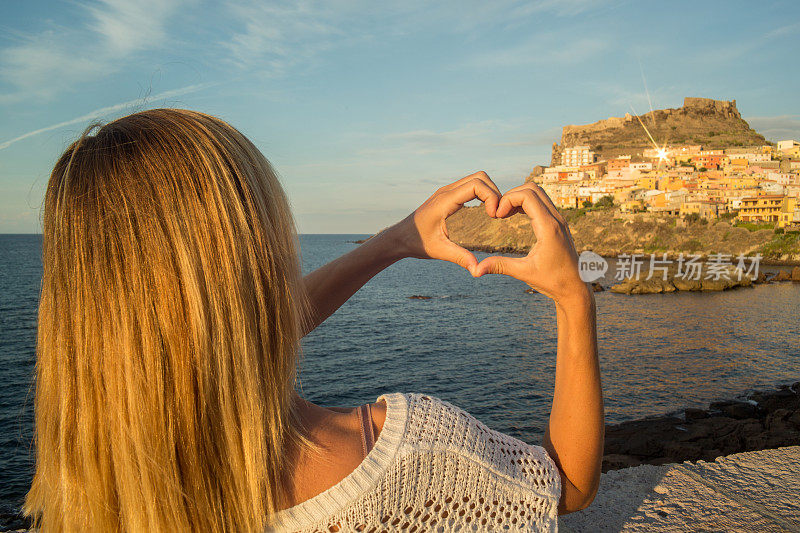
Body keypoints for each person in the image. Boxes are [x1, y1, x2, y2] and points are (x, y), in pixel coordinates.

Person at [25, 109, 603, 532]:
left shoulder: (89, 490)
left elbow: (221, 333)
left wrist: (396, 242)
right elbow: (567, 487)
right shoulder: (410, 457)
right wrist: (574, 299)